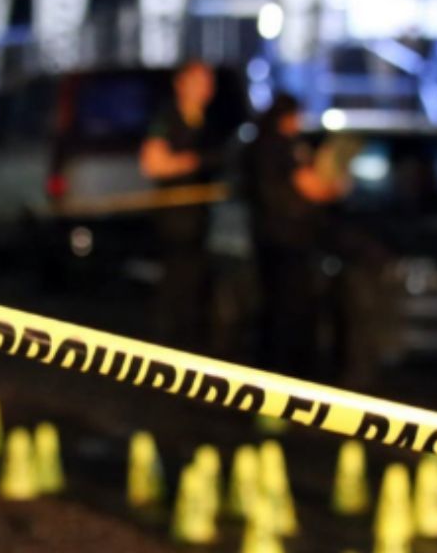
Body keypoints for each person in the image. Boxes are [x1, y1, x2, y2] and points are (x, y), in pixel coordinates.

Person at [242, 93, 350, 377]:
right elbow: (308, 185)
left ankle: (273, 370)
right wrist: (335, 188)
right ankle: (287, 374)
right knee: (290, 311)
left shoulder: (262, 145)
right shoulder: (279, 146)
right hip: (287, 243)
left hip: (273, 240)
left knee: (275, 309)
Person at [140, 60, 223, 350]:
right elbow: (152, 163)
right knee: (175, 283)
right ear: (181, 83)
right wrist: (192, 162)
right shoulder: (167, 118)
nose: (205, 89)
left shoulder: (209, 122)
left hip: (200, 219)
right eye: (198, 81)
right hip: (174, 217)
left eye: (209, 82)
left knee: (196, 287)